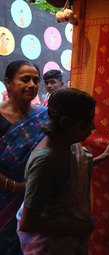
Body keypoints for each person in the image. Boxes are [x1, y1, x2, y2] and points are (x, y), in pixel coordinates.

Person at [16, 87, 109, 254]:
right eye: (86, 122)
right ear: (65, 122)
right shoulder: (45, 161)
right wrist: (76, 229)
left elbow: (71, 172)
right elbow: (28, 223)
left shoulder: (66, 143)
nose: (93, 127)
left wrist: (104, 156)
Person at [0, 60, 48, 255]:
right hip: (4, 199)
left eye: (36, 80)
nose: (32, 84)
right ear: (8, 83)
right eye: (25, 79)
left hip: (36, 201)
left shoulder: (45, 116)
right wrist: (16, 187)